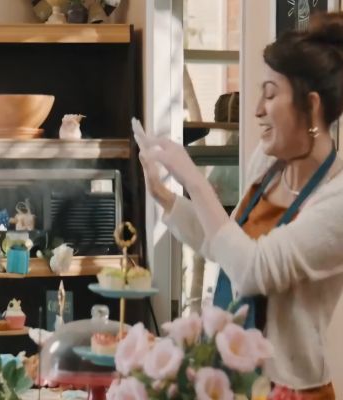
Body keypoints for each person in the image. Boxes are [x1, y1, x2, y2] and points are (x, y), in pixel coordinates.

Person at [135, 12, 343, 399]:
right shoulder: (267, 165)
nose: (257, 110)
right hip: (234, 382)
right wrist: (165, 196)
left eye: (271, 94)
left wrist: (195, 180)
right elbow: (228, 247)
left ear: (312, 107)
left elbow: (253, 271)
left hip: (290, 391)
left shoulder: (337, 198)